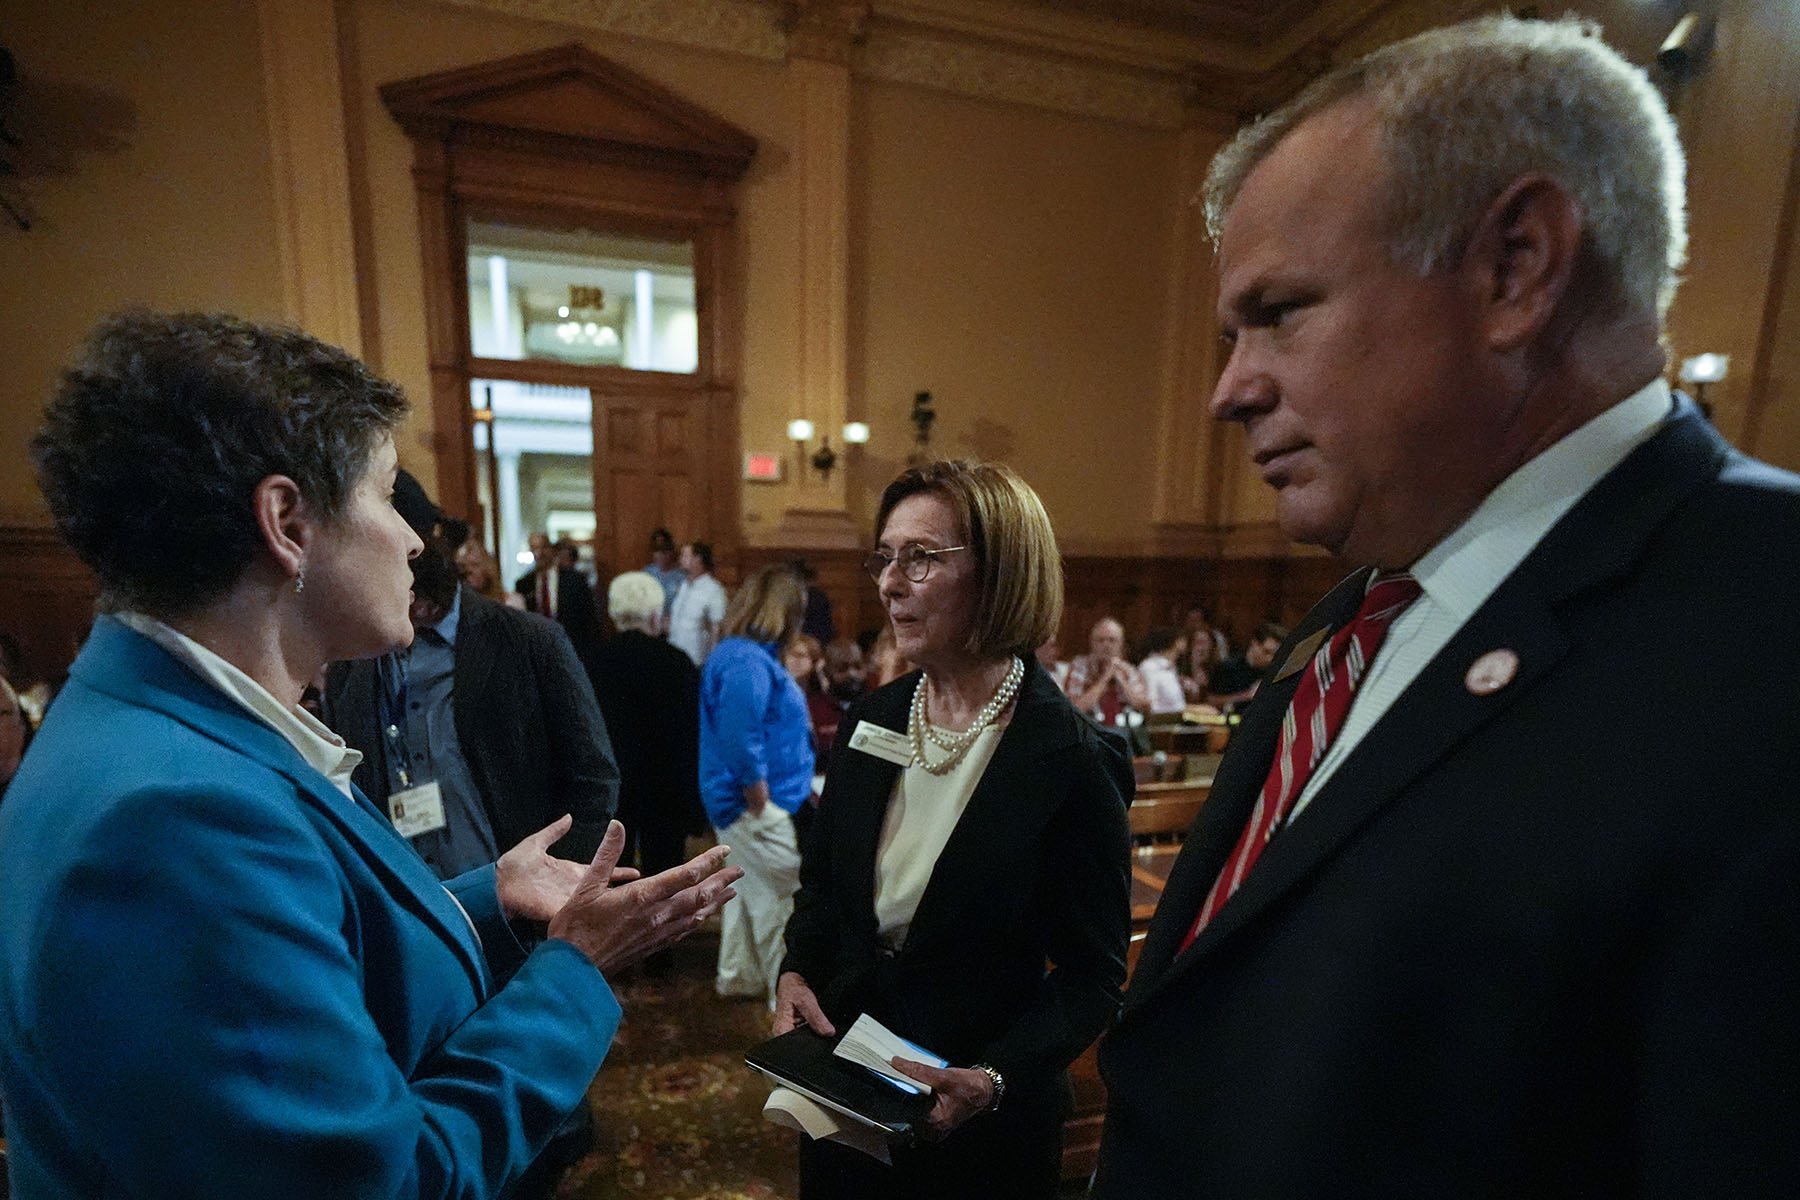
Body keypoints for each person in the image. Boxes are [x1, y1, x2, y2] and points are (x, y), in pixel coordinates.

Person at [1092, 16, 1800, 1197]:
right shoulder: (1356, 614)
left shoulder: (1768, 618)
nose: (1230, 390)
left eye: (1281, 312)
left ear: (1515, 268)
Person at [2, 311, 742, 1200]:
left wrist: (490, 900)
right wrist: (573, 972)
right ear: (288, 523)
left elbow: (320, 944)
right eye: (388, 494)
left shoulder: (165, 727)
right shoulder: (170, 824)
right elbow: (383, 1183)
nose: (414, 538)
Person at [776, 460, 1132, 1199]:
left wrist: (993, 1077)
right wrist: (796, 971)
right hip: (846, 1080)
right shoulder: (872, 720)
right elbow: (821, 888)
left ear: (1000, 572)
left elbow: (1092, 979)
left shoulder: (1071, 759)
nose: (889, 582)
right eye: (885, 556)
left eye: (921, 558)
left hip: (977, 1122)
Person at [324, 521, 620, 881]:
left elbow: (593, 773)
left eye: (428, 609)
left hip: (510, 889)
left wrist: (558, 874)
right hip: (403, 892)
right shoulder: (355, 657)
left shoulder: (529, 640)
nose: (416, 618)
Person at [700, 563, 815, 1005]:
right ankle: (784, 1008)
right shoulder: (745, 659)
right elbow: (740, 734)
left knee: (749, 892)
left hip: (749, 801)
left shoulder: (743, 655)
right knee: (782, 906)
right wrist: (759, 797)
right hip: (754, 804)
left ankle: (739, 978)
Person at [588, 571, 706, 886]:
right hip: (664, 788)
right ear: (656, 614)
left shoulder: (592, 661)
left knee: (611, 877)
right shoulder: (677, 662)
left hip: (611, 789)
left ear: (614, 613)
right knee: (663, 883)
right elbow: (689, 737)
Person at [516, 530, 604, 668]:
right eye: (534, 549)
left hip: (574, 653)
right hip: (539, 657)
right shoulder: (524, 584)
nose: (539, 554)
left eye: (543, 548)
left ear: (552, 549)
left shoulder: (575, 580)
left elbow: (589, 620)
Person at [1063, 616, 1149, 724]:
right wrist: (1105, 678)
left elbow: (1144, 707)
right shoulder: (1080, 667)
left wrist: (1122, 682)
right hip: (1088, 729)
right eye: (1100, 640)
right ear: (1092, 643)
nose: (1106, 645)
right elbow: (1075, 709)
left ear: (1121, 644)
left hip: (1123, 730)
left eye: (1112, 640)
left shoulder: (1128, 669)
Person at [669, 539, 728, 667]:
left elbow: (716, 629)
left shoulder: (713, 590)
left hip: (695, 661)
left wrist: (712, 662)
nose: (680, 559)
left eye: (685, 555)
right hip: (674, 656)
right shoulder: (683, 585)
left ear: (698, 559)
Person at [1203, 619, 1286, 709]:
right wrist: (1247, 695)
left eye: (1274, 655)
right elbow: (1210, 701)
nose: (1270, 659)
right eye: (1266, 652)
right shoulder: (1227, 667)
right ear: (1255, 644)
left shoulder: (1273, 674)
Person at [455, 534, 526, 610]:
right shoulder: (457, 606)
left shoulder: (512, 602)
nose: (469, 570)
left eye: (475, 565)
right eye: (463, 566)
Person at [1134, 626, 1188, 715]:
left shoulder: (1170, 667)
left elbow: (1178, 705)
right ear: (1176, 642)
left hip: (1178, 720)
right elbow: (1151, 702)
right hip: (1161, 723)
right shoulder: (1149, 666)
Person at [643, 527, 685, 615]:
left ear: (672, 552)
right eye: (656, 551)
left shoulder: (681, 576)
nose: (660, 556)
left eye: (664, 552)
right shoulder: (647, 573)